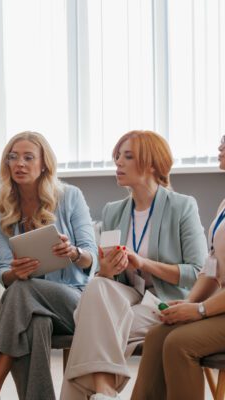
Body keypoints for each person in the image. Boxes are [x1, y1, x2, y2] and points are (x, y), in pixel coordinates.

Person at [60, 130, 208, 400]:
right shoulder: (113, 210)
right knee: (96, 287)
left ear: (151, 163)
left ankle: (102, 391)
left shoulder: (182, 206)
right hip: (127, 295)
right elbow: (108, 278)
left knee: (91, 327)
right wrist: (107, 269)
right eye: (117, 156)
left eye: (127, 157)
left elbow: (197, 273)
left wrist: (144, 263)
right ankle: (104, 391)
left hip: (164, 301)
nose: (118, 163)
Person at [0, 131, 98, 400]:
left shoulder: (70, 197)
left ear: (44, 164)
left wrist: (74, 252)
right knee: (33, 321)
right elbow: (3, 272)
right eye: (13, 157)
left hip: (74, 301)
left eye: (29, 157)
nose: (20, 163)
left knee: (20, 292)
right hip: (29, 309)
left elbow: (92, 257)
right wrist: (13, 273)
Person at [130, 134, 225, 400]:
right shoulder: (224, 205)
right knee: (158, 333)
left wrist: (201, 310)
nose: (220, 145)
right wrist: (187, 304)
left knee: (179, 343)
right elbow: (211, 268)